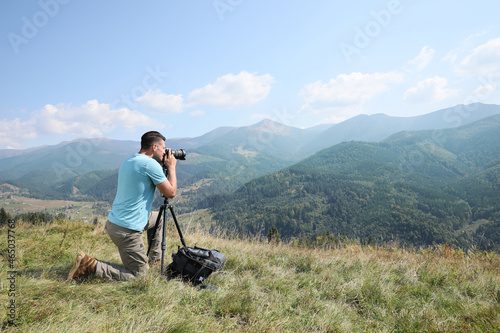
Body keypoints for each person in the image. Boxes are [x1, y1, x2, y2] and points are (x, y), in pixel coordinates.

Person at [68, 131, 177, 282]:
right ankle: (90, 265)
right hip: (127, 230)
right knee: (139, 276)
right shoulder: (149, 164)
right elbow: (170, 192)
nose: (166, 152)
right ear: (154, 147)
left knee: (158, 219)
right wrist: (171, 167)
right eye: (163, 148)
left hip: (116, 222)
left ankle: (154, 260)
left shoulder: (130, 160)